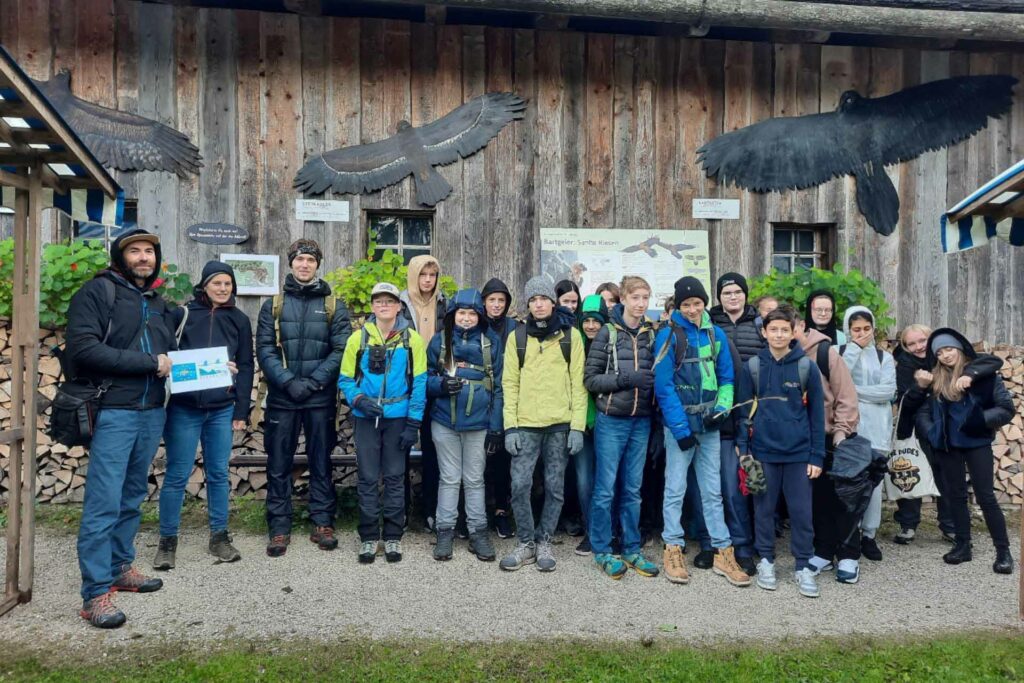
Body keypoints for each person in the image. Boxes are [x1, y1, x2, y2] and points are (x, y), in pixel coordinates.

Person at [66, 229, 175, 628]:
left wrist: (211, 370)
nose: (144, 257)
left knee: (131, 495)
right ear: (120, 255)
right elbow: (85, 349)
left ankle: (119, 567)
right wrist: (151, 364)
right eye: (135, 251)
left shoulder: (158, 303)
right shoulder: (97, 293)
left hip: (151, 411)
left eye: (149, 251)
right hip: (112, 410)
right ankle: (95, 593)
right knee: (103, 501)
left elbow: (170, 358)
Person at [155, 261, 254, 570]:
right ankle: (167, 541)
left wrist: (240, 407)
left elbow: (247, 364)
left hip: (221, 409)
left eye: (228, 284)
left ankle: (220, 537)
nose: (223, 289)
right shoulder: (182, 314)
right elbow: (164, 353)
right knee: (176, 475)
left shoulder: (239, 319)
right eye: (217, 283)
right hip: (184, 409)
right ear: (204, 284)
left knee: (218, 474)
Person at [256, 239, 351, 558]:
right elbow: (265, 349)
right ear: (291, 263)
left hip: (319, 397)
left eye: (310, 259)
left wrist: (312, 382)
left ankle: (323, 522)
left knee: (321, 461)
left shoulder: (333, 303)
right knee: (278, 462)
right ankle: (279, 526)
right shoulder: (273, 304)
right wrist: (286, 382)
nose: (305, 265)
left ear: (317, 264)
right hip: (283, 398)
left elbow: (341, 349)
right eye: (300, 259)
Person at [653, 276, 750, 588]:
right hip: (680, 428)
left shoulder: (715, 334)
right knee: (675, 489)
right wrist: (680, 428)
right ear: (678, 306)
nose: (693, 309)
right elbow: (664, 386)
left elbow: (727, 378)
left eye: (697, 303)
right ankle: (673, 547)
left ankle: (723, 551)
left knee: (712, 491)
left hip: (708, 427)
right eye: (686, 304)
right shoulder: (668, 335)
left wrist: (720, 411)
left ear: (705, 303)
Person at [903, 328, 1015, 574]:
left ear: (960, 348)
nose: (945, 355)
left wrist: (977, 420)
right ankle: (963, 546)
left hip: (976, 444)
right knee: (955, 496)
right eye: (940, 352)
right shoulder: (935, 378)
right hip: (947, 446)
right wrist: (932, 432)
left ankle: (1003, 551)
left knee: (986, 497)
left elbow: (1006, 409)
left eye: (949, 349)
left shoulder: (983, 376)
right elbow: (922, 411)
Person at [736, 307, 826, 598]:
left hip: (799, 454)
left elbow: (816, 415)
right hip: (762, 453)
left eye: (784, 330)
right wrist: (745, 452)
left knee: (802, 512)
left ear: (793, 332)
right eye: (773, 329)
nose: (778, 335)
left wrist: (817, 456)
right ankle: (766, 561)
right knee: (764, 511)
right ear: (764, 332)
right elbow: (743, 414)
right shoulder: (752, 367)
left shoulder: (806, 367)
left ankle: (803, 565)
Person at [499, 276, 587, 573]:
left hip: (559, 425)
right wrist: (510, 426)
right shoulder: (518, 338)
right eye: (533, 299)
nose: (539, 304)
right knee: (520, 484)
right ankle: (526, 542)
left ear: (553, 302)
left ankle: (545, 539)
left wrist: (576, 426)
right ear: (528, 304)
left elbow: (579, 384)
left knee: (554, 486)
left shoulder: (570, 337)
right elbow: (509, 383)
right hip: (525, 424)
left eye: (544, 298)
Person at [339, 282, 428, 564]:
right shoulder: (358, 339)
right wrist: (357, 399)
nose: (384, 305)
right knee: (366, 478)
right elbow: (345, 379)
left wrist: (413, 422)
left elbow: (420, 382)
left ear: (399, 306)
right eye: (379, 301)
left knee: (393, 478)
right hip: (367, 418)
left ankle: (392, 535)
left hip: (398, 417)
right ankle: (367, 537)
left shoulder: (411, 339)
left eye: (389, 301)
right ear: (373, 306)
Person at [891, 324, 1001, 544]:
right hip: (914, 426)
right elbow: (905, 402)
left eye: (921, 341)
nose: (917, 347)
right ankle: (908, 523)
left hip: (944, 427)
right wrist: (919, 387)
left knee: (946, 477)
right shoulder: (904, 365)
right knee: (910, 472)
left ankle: (950, 525)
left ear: (931, 339)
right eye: (911, 344)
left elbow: (991, 361)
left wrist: (970, 374)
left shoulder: (947, 356)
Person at [584, 277, 660, 579]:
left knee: (632, 489)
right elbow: (590, 380)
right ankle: (601, 548)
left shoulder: (652, 335)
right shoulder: (607, 333)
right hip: (611, 420)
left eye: (646, 297)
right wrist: (625, 380)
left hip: (641, 421)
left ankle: (631, 547)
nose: (641, 303)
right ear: (624, 299)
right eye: (636, 297)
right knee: (605, 489)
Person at [426, 289, 503, 562]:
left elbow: (500, 388)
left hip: (480, 423)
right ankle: (444, 532)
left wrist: (495, 427)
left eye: (472, 313)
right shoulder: (440, 341)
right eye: (462, 313)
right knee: (449, 478)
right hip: (445, 421)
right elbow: (425, 379)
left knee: (474, 479)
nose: (467, 318)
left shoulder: (491, 343)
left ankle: (478, 532)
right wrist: (440, 384)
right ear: (453, 315)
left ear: (480, 316)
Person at [789, 305, 861, 583]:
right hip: (802, 441)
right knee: (816, 499)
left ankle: (849, 555)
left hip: (832, 437)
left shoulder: (824, 353)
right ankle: (824, 549)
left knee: (843, 499)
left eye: (791, 328)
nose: (787, 334)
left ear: (801, 326)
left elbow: (846, 395)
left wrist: (842, 431)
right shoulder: (782, 357)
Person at [707, 272, 764, 574]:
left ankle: (744, 545)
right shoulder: (707, 324)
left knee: (740, 485)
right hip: (716, 415)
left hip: (749, 416)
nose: (732, 296)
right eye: (726, 292)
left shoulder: (758, 325)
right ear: (719, 297)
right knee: (711, 487)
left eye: (737, 291)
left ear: (745, 294)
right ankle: (712, 543)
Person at [841, 306, 896, 565]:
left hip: (878, 428)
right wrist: (853, 348)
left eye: (866, 329)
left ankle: (869, 535)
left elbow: (887, 391)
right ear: (848, 330)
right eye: (856, 329)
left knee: (873, 486)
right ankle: (848, 532)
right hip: (850, 429)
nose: (862, 334)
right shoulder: (839, 352)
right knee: (849, 483)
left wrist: (854, 390)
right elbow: (838, 379)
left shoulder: (885, 357)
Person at [400, 255, 447, 532]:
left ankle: (432, 510)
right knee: (401, 450)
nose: (428, 280)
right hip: (405, 383)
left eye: (432, 275)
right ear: (413, 276)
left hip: (435, 383)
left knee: (434, 451)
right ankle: (402, 510)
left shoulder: (445, 303)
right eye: (423, 275)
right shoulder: (401, 304)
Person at [480, 278, 518, 540]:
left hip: (509, 398)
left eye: (501, 300)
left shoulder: (515, 328)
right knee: (476, 464)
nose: (496, 305)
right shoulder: (475, 324)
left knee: (503, 461)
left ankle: (502, 511)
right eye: (492, 300)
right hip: (480, 400)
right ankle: (476, 513)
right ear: (484, 302)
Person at [573, 293, 609, 556]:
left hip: (608, 422)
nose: (591, 326)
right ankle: (590, 530)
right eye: (586, 321)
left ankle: (608, 530)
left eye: (596, 321)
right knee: (585, 480)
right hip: (581, 423)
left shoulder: (612, 344)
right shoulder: (574, 344)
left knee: (606, 480)